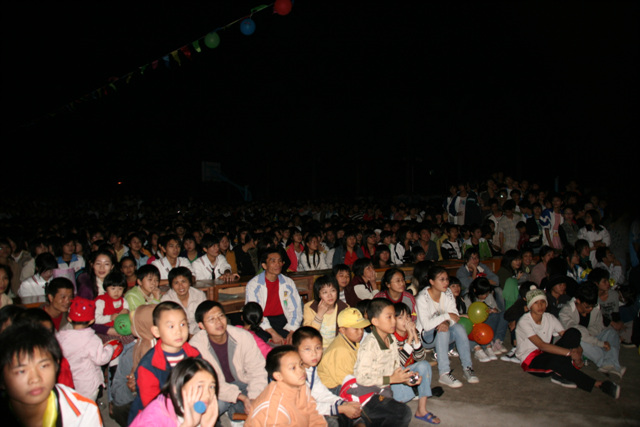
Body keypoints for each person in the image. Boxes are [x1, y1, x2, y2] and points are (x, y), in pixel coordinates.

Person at [515, 288, 620, 398]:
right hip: (531, 360)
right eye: (536, 303)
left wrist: (579, 351)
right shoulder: (524, 322)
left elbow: (566, 335)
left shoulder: (549, 317)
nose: (540, 305)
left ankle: (562, 371)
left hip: (548, 352)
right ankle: (599, 384)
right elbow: (542, 345)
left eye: (542, 302)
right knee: (555, 362)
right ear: (530, 306)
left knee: (574, 332)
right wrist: (570, 353)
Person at [0, 323, 104, 426]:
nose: (35, 379)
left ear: (56, 366)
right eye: (21, 371)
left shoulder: (84, 413)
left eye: (43, 366)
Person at [352, 298, 434, 426]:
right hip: (367, 395)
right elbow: (362, 378)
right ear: (375, 321)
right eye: (389, 317)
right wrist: (391, 379)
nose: (394, 321)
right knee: (403, 412)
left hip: (384, 391)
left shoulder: (391, 339)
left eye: (393, 317)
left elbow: (395, 367)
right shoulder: (370, 345)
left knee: (398, 413)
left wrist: (407, 378)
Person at [190, 300, 267, 422]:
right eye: (211, 319)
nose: (218, 322)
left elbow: (257, 370)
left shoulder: (243, 337)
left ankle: (234, 413)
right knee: (212, 407)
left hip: (243, 383)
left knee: (264, 401)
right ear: (201, 326)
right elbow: (208, 383)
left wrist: (253, 399)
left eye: (221, 316)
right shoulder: (196, 347)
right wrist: (240, 397)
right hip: (216, 389)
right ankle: (233, 411)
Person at [128, 301, 202, 423]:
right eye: (171, 326)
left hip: (188, 408)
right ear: (156, 331)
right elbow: (152, 406)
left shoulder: (194, 355)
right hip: (157, 417)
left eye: (183, 324)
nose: (179, 331)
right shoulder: (149, 366)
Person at [416, 266, 479, 388]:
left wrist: (447, 322)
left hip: (443, 330)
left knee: (459, 328)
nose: (446, 283)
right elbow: (427, 325)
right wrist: (446, 316)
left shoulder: (448, 293)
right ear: (431, 282)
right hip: (425, 337)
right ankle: (444, 373)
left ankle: (468, 367)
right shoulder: (422, 298)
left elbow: (455, 315)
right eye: (442, 279)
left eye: (447, 279)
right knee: (443, 331)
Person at [293, 326, 363, 426]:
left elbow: (321, 393)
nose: (314, 353)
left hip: (310, 409)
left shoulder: (311, 369)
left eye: (318, 348)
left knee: (352, 407)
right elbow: (305, 407)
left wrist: (343, 403)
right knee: (332, 422)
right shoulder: (294, 375)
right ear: (296, 351)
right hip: (295, 417)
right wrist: (341, 408)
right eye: (307, 349)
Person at [245, 345, 327, 427]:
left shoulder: (302, 386)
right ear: (278, 376)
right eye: (293, 368)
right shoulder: (274, 407)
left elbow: (314, 415)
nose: (301, 370)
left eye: (301, 364)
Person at [559, 281, 625, 379]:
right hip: (576, 342)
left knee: (611, 332)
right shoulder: (566, 312)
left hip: (591, 336)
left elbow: (598, 326)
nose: (590, 309)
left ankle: (610, 364)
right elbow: (577, 332)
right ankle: (607, 363)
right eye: (587, 306)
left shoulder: (595, 308)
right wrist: (600, 343)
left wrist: (590, 335)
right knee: (580, 340)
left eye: (592, 306)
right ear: (578, 301)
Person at [129, 357, 219, 427]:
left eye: (211, 386)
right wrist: (187, 425)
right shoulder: (153, 418)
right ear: (176, 388)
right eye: (200, 386)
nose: (208, 394)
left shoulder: (198, 409)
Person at [56, 297, 115, 401]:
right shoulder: (92, 339)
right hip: (87, 385)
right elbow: (101, 359)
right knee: (87, 407)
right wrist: (109, 348)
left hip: (67, 384)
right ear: (92, 320)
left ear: (69, 319)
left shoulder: (60, 337)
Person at [245, 248, 303, 345]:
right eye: (273, 261)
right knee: (258, 339)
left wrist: (292, 331)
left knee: (297, 339)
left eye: (280, 261)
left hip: (282, 319)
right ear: (264, 265)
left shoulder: (288, 282)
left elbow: (295, 308)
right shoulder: (254, 285)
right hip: (262, 321)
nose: (278, 264)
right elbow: (255, 314)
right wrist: (273, 333)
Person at [317, 308, 370, 394]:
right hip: (331, 388)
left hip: (343, 381)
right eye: (356, 329)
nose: (361, 332)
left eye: (362, 328)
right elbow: (347, 382)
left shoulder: (353, 342)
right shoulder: (341, 350)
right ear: (342, 330)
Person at [463, 277, 509, 362]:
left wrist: (494, 310)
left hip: (490, 320)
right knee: (492, 317)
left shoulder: (489, 296)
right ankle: (488, 342)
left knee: (504, 315)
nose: (485, 296)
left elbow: (496, 308)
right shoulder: (468, 298)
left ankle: (497, 340)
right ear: (475, 291)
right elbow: (469, 316)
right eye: (483, 294)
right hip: (478, 325)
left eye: (487, 293)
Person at [304, 275, 349, 349]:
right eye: (325, 292)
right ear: (319, 294)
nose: (330, 295)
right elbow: (308, 335)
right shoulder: (309, 307)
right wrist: (319, 314)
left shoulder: (344, 307)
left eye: (333, 290)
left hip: (338, 347)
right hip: (316, 348)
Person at [161, 267, 207, 336]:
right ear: (171, 285)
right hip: (177, 335)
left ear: (189, 282)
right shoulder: (167, 299)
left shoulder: (199, 295)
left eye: (183, 281)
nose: (181, 286)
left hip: (199, 334)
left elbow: (205, 317)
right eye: (176, 283)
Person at [94, 271, 130, 336]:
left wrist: (127, 312)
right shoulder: (101, 301)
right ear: (106, 288)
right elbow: (96, 319)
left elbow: (129, 315)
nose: (116, 292)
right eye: (113, 288)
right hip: (105, 330)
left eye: (120, 289)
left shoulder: (123, 300)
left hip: (122, 328)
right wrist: (110, 318)